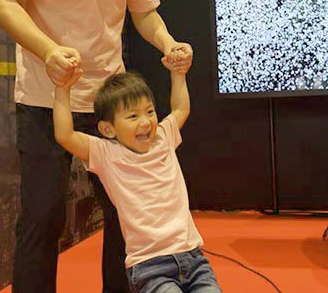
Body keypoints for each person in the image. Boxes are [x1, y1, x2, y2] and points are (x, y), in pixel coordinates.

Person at [0, 0, 193, 293]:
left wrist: (167, 43)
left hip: (110, 103)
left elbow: (144, 13)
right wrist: (48, 51)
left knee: (128, 210)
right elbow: (4, 3)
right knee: (43, 215)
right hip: (47, 98)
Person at [53, 66, 222, 293]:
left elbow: (181, 108)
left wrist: (178, 73)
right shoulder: (107, 154)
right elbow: (65, 135)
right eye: (133, 116)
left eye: (150, 112)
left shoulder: (163, 136)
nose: (145, 122)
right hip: (150, 266)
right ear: (108, 129)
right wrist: (62, 89)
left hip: (192, 257)